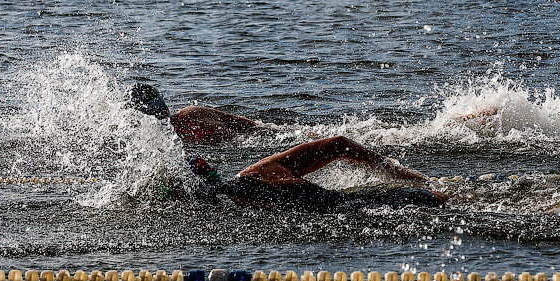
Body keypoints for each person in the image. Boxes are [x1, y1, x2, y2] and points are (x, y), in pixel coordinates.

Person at [193, 135, 449, 211]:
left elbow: (338, 144)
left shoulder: (254, 180)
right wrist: (401, 174)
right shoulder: (257, 172)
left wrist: (401, 173)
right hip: (366, 205)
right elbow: (339, 143)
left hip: (372, 207)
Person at [127, 83, 260, 146]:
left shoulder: (162, 143)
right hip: (254, 140)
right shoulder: (192, 112)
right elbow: (244, 123)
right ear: (164, 105)